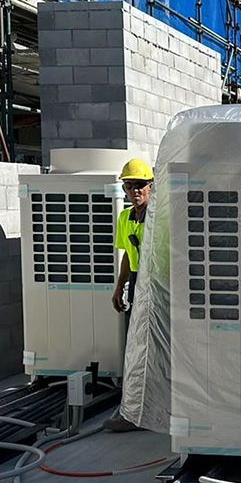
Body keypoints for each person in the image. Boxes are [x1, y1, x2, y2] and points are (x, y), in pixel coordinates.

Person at [104, 158, 154, 432]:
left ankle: (145, 413)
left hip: (157, 284)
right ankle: (136, 413)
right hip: (137, 282)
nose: (135, 191)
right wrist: (119, 286)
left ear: (150, 186)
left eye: (140, 185)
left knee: (152, 350)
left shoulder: (158, 217)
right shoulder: (126, 217)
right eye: (129, 186)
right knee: (136, 350)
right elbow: (126, 255)